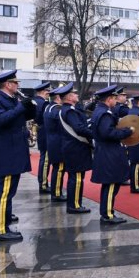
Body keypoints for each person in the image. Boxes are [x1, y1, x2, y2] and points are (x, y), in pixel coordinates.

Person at [0, 70, 35, 241]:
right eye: (16, 82)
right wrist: (21, 107)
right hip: (4, 150)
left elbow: (17, 119)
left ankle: (2, 222)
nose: (18, 85)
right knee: (4, 191)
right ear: (8, 84)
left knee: (7, 190)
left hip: (12, 149)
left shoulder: (11, 100)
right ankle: (0, 228)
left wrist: (30, 109)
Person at [89, 85, 134, 223]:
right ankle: (108, 215)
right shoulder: (105, 114)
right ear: (109, 99)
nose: (116, 101)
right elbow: (108, 133)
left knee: (109, 184)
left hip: (105, 151)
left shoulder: (100, 111)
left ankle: (106, 212)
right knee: (111, 184)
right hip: (109, 152)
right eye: (114, 98)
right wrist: (127, 132)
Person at [57, 86, 93, 214]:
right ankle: (74, 205)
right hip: (75, 148)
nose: (77, 95)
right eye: (74, 93)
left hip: (72, 147)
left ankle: (74, 203)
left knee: (76, 177)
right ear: (69, 97)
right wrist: (94, 133)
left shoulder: (66, 110)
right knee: (76, 178)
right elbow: (78, 129)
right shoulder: (70, 111)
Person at [42, 86, 67, 201]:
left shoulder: (49, 107)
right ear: (58, 97)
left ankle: (56, 192)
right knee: (59, 169)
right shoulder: (56, 109)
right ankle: (56, 193)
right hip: (58, 142)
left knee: (57, 168)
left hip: (52, 140)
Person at [30, 82, 52, 193]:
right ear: (44, 91)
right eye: (48, 91)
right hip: (45, 132)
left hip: (41, 131)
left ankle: (43, 183)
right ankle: (43, 184)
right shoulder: (43, 103)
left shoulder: (35, 101)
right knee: (46, 160)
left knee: (44, 158)